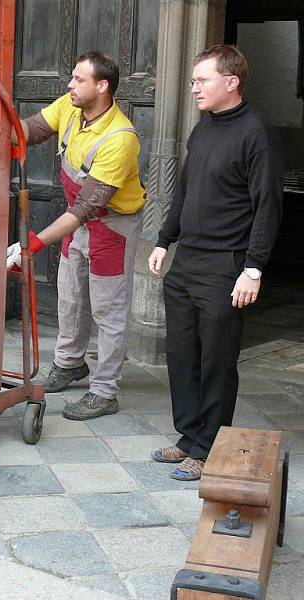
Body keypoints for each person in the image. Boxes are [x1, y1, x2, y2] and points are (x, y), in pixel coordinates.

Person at [149, 45, 283, 481]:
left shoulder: (257, 132)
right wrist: (164, 240)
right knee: (182, 354)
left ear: (232, 82)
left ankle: (208, 447)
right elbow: (184, 191)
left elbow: (268, 206)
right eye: (191, 81)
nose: (193, 89)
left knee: (217, 361)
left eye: (201, 81)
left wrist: (253, 267)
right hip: (186, 261)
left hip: (226, 267)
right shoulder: (203, 128)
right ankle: (189, 436)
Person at [9, 51, 146, 420]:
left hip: (111, 227)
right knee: (70, 297)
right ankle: (70, 363)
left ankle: (104, 391)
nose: (70, 84)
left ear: (101, 87)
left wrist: (34, 243)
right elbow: (31, 129)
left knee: (108, 310)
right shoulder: (70, 108)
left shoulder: (121, 137)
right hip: (79, 223)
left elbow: (87, 208)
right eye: (71, 77)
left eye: (79, 79)